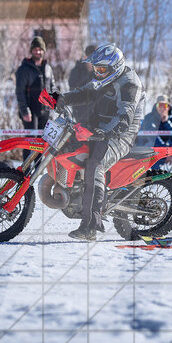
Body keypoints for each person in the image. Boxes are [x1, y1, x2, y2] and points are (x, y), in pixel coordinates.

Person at [55, 43, 144, 240]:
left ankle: (91, 226)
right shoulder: (102, 78)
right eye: (96, 68)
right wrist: (61, 99)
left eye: (101, 69)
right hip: (98, 127)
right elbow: (85, 93)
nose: (97, 73)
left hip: (120, 135)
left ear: (115, 67)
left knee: (95, 165)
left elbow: (124, 118)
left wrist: (99, 131)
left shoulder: (130, 84)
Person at [16, 36, 56, 157]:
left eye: (40, 49)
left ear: (43, 51)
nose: (38, 52)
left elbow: (53, 87)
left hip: (45, 111)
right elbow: (19, 91)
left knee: (42, 142)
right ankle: (26, 171)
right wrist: (24, 110)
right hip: (30, 112)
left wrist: (55, 104)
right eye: (35, 49)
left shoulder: (48, 68)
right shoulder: (24, 69)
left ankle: (38, 169)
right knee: (30, 141)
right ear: (31, 51)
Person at [137, 94, 172, 171]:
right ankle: (155, 177)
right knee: (151, 150)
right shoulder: (149, 118)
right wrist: (165, 153)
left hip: (167, 148)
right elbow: (152, 138)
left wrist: (166, 122)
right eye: (160, 105)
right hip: (150, 147)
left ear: (168, 107)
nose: (162, 108)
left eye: (165, 105)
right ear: (156, 106)